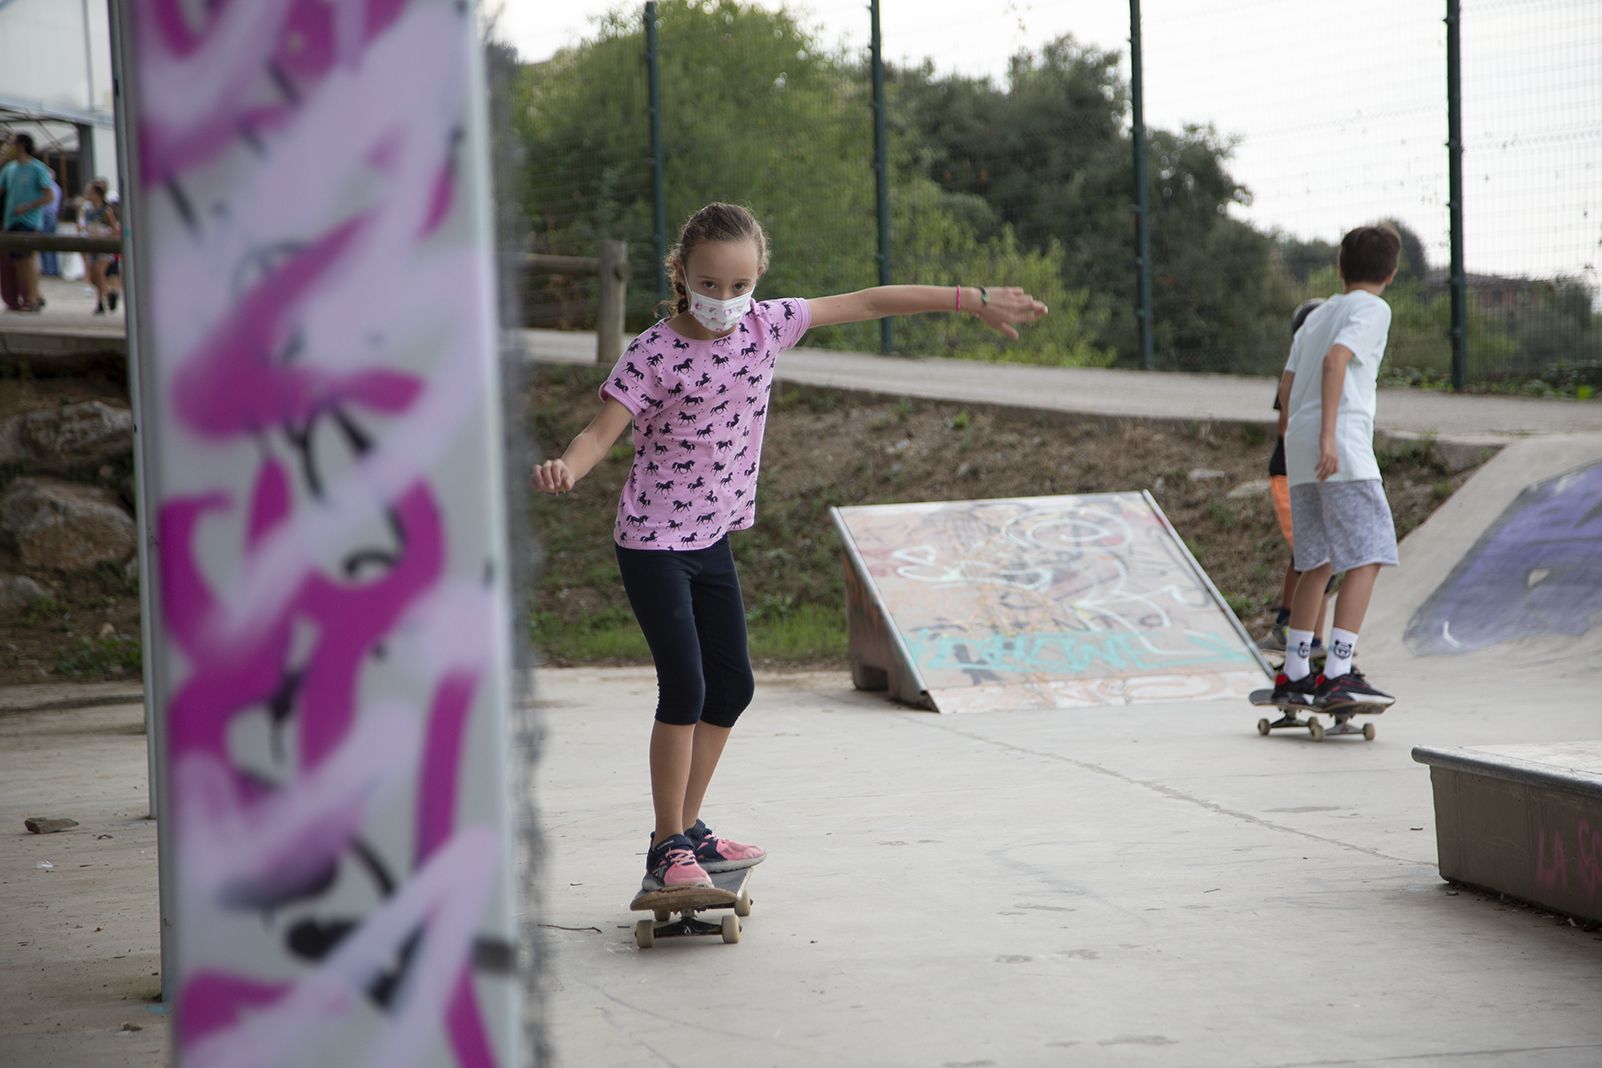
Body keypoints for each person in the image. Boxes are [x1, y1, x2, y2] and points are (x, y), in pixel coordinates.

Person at [533, 202, 1048, 895]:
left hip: (710, 538)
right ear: (682, 274)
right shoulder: (653, 352)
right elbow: (600, 432)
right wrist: (569, 466)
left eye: (738, 285)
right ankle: (664, 846)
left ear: (760, 277)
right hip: (653, 542)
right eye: (709, 285)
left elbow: (869, 302)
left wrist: (972, 300)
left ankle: (688, 832)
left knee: (734, 685)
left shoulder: (769, 326)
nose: (724, 301)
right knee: (685, 686)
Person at [1271, 224, 1402, 709]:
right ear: (1391, 271)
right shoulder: (1373, 308)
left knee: (1316, 561)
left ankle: (1297, 671)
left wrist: (1298, 439)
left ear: (1341, 268)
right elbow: (1336, 361)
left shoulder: (1316, 314)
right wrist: (1329, 435)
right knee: (1368, 554)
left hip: (1302, 448)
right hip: (1339, 441)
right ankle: (1340, 671)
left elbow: (1286, 387)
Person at [1257, 298, 1329, 657]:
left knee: (1321, 557)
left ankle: (1314, 636)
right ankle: (1289, 627)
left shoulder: (1333, 371)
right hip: (1289, 471)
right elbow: (1285, 427)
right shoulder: (1296, 372)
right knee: (1307, 554)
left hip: (1316, 473)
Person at [0, 132, 57, 312]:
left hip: (29, 220)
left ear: (21, 145)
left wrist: (29, 206)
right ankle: (35, 295)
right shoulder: (9, 169)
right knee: (18, 261)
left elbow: (49, 195)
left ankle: (32, 298)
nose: (7, 146)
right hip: (11, 220)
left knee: (28, 258)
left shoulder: (37, 168)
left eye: (11, 143)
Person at [79, 180, 121, 314]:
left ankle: (100, 303)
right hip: (93, 245)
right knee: (93, 277)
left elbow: (114, 229)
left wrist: (105, 234)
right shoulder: (88, 211)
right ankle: (108, 294)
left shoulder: (106, 211)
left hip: (103, 246)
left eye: (90, 192)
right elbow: (84, 226)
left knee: (99, 271)